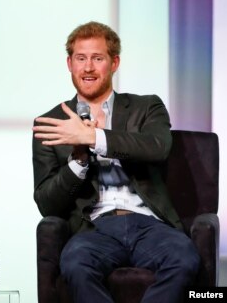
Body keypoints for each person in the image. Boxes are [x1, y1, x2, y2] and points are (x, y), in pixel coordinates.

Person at [32, 21, 200, 303]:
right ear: (69, 63)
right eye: (81, 58)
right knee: (75, 264)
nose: (88, 68)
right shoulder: (52, 125)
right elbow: (47, 204)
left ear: (114, 63)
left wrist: (94, 136)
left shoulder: (146, 107)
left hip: (150, 224)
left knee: (184, 258)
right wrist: (79, 158)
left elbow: (157, 147)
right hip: (95, 227)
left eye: (97, 58)